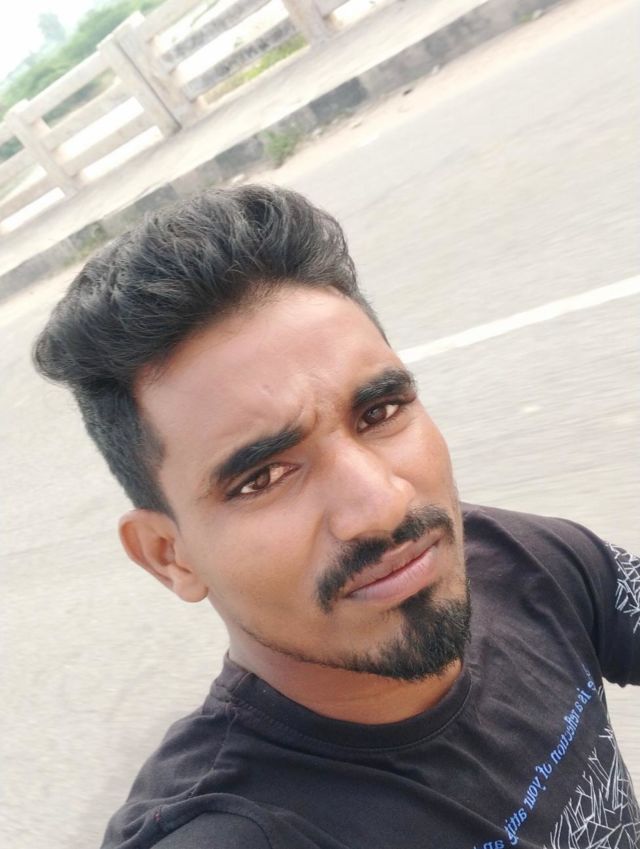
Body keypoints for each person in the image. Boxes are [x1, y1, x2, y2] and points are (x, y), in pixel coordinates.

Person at [34, 185, 639, 849]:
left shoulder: (520, 557)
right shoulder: (231, 833)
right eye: (262, 477)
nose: (382, 505)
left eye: (380, 412)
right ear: (169, 554)